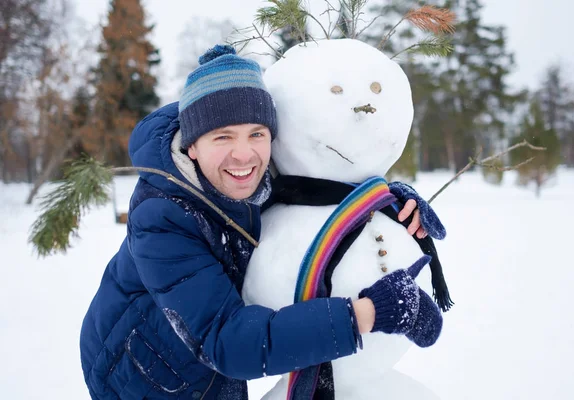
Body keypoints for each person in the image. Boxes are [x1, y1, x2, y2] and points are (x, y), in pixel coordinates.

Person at [79, 45, 442, 400]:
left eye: (256, 133)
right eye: (223, 137)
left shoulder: (251, 177)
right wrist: (367, 313)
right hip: (143, 375)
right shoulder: (162, 219)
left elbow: (316, 185)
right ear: (192, 146)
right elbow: (228, 341)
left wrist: (387, 202)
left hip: (204, 364)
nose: (243, 154)